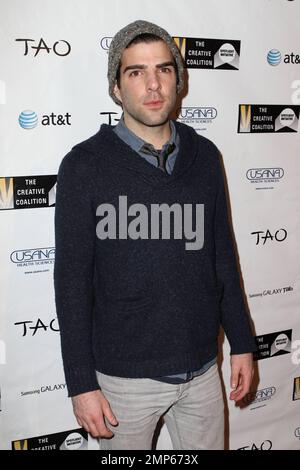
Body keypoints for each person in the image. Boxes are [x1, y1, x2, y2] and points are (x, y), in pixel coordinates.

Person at [54, 19, 256, 450]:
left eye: (164, 70)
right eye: (136, 72)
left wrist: (242, 342)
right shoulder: (84, 166)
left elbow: (222, 257)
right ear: (116, 88)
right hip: (124, 382)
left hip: (203, 371)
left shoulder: (204, 156)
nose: (153, 85)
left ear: (178, 81)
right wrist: (80, 384)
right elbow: (71, 281)